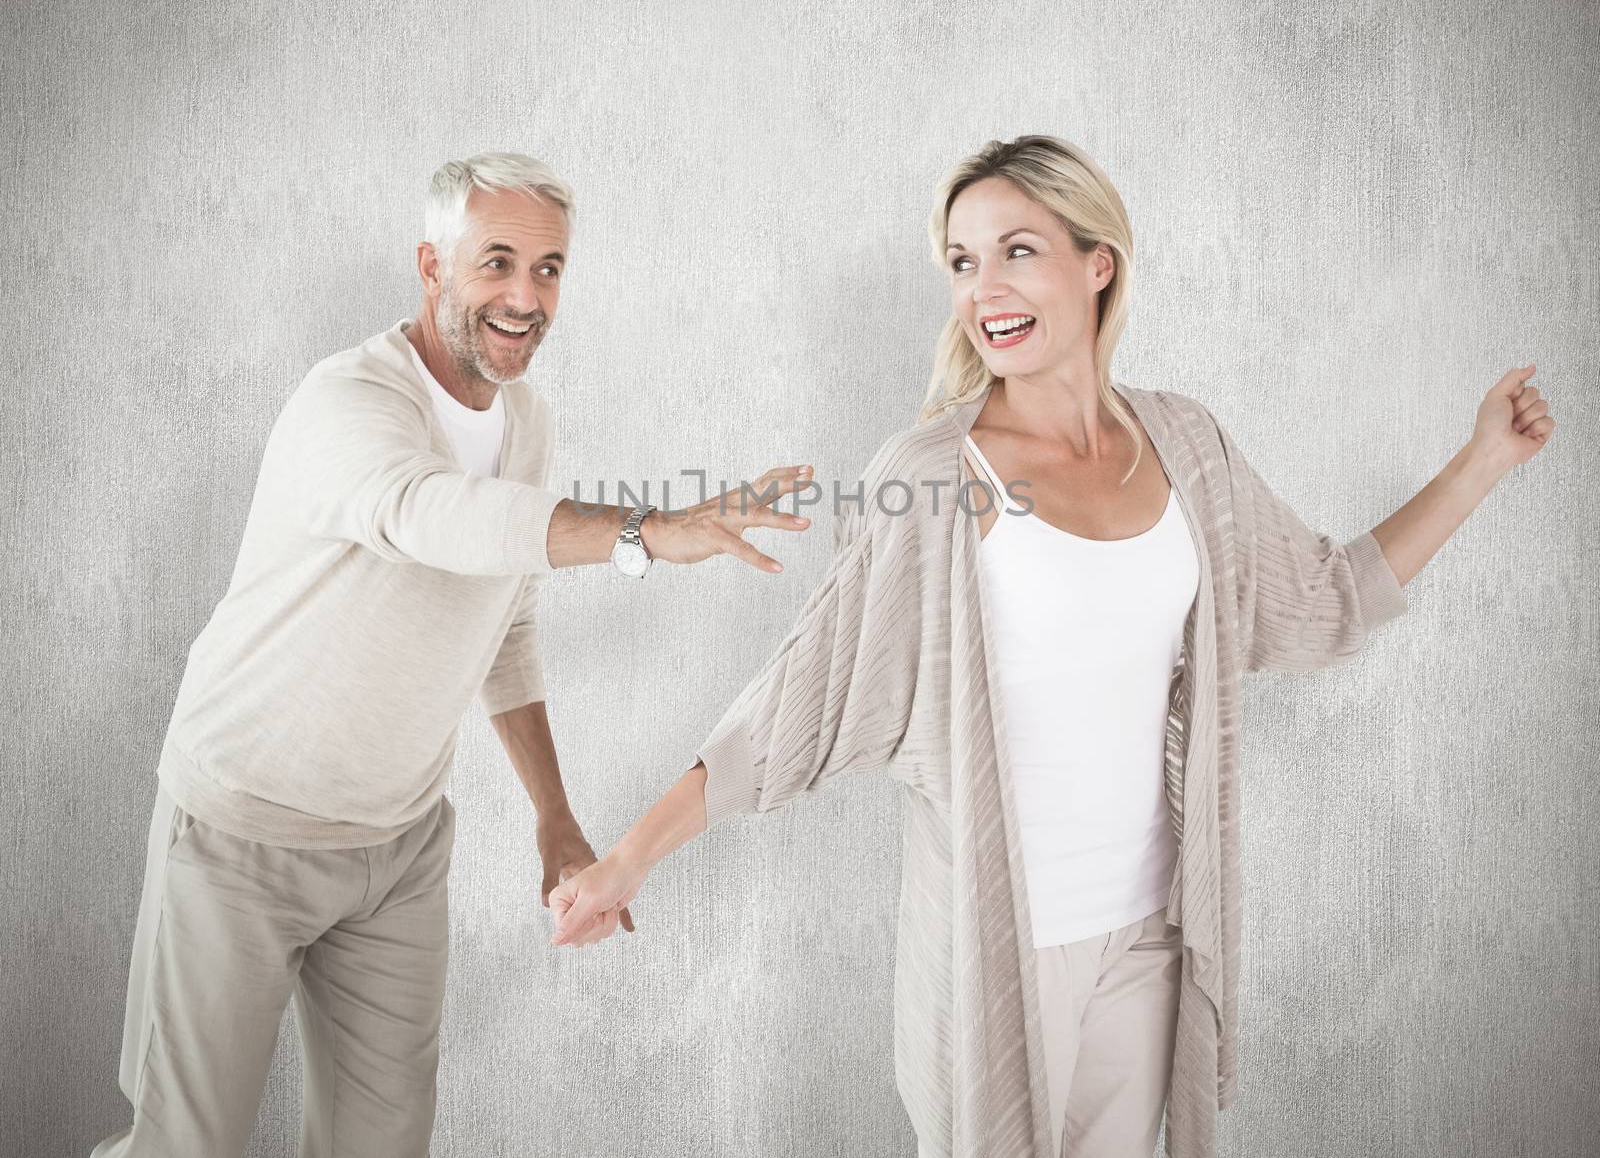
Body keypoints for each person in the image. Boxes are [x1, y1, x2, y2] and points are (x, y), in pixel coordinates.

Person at [548, 134, 1556, 1158]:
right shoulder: (936, 475)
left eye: (1016, 250)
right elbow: (796, 704)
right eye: (961, 261)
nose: (984, 287)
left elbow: (1325, 599)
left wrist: (1481, 462)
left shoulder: (1187, 447)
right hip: (996, 952)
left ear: (1096, 262)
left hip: (1150, 935)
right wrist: (630, 857)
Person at [90, 152, 815, 1157]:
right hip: (238, 837)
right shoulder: (347, 401)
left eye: (550, 268)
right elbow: (429, 517)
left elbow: (503, 615)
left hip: (396, 849)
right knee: (187, 1142)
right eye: (497, 263)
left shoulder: (525, 423)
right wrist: (647, 532)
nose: (526, 297)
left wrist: (554, 815)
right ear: (432, 267)